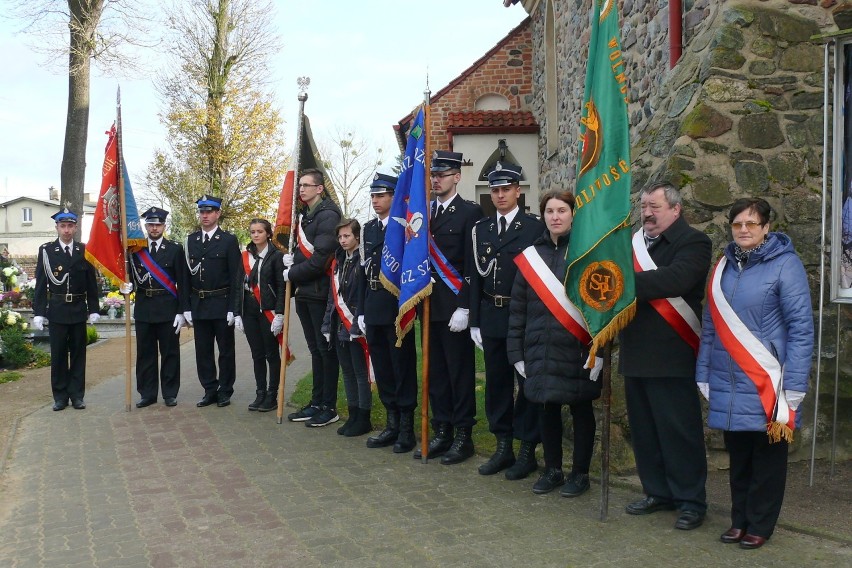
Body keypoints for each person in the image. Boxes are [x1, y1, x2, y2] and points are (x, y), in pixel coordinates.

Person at [696, 198, 813, 549]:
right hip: (728, 378)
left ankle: (760, 524)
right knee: (739, 457)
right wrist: (703, 370)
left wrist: (794, 384)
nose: (743, 230)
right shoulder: (723, 267)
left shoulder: (786, 265)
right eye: (737, 224)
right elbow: (711, 325)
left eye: (751, 224)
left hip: (769, 382)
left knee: (767, 460)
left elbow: (801, 328)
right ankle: (739, 520)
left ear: (766, 228)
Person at [619, 182, 711, 530]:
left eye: (654, 207)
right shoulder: (632, 243)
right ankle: (657, 491)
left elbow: (676, 279)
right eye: (643, 206)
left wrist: (620, 281)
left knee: (679, 431)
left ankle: (690, 500)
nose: (647, 214)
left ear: (676, 209)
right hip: (636, 349)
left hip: (672, 353)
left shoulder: (694, 243)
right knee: (645, 430)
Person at [507, 190, 603, 496]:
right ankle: (552, 470)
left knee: (580, 408)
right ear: (543, 215)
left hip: (577, 347)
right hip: (540, 346)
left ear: (573, 214)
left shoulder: (588, 252)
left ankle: (580, 473)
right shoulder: (532, 256)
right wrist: (516, 352)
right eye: (550, 211)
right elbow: (518, 307)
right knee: (546, 408)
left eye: (562, 210)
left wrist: (600, 349)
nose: (556, 217)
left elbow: (600, 305)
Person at [470, 161, 544, 479]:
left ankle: (527, 449)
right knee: (497, 382)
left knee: (527, 383)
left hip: (524, 314)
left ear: (518, 191)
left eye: (505, 189)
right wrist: (474, 319)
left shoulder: (534, 228)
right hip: (492, 314)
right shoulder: (481, 230)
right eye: (495, 190)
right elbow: (475, 277)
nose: (500, 195)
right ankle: (503, 447)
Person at [414, 150, 483, 464]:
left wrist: (465, 307)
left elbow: (472, 264)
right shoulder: (422, 213)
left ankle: (463, 434)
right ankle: (441, 430)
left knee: (459, 373)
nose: (436, 179)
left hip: (454, 307)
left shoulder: (470, 213)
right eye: (433, 174)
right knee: (435, 372)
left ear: (457, 176)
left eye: (443, 174)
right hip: (427, 305)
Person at [357, 174, 419, 453]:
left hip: (396, 306)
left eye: (381, 195)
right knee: (382, 367)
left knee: (401, 367)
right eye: (373, 196)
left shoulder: (404, 228)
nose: (375, 200)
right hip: (372, 304)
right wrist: (360, 309)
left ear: (394, 197)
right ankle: (391, 423)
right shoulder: (367, 229)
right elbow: (362, 271)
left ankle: (406, 427)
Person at [284, 168, 342, 427]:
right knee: (315, 351)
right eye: (300, 186)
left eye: (307, 185)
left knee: (325, 352)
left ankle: (328, 406)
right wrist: (292, 262)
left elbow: (320, 260)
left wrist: (292, 272)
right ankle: (316, 402)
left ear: (320, 189)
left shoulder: (327, 216)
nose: (302, 189)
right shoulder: (306, 216)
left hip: (320, 294)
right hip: (306, 294)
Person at [32, 207, 100, 411]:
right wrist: (39, 312)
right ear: (57, 228)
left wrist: (94, 308)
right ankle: (60, 396)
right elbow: (41, 283)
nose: (67, 230)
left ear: (76, 227)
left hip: (78, 309)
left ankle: (77, 395)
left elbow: (91, 283)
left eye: (70, 226)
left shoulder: (84, 250)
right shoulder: (46, 251)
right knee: (59, 355)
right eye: (63, 226)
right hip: (58, 310)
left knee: (79, 354)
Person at [126, 207, 189, 408]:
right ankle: (147, 393)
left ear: (164, 225)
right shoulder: (135, 250)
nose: (154, 228)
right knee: (145, 354)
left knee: (170, 352)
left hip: (168, 308)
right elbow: (128, 278)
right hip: (144, 307)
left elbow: (183, 282)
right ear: (145, 226)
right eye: (151, 224)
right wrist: (124, 288)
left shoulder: (174, 249)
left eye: (158, 224)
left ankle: (170, 392)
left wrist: (182, 311)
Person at [184, 195, 243, 408]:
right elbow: (185, 277)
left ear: (218, 213)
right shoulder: (191, 240)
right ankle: (209, 389)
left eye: (209, 212)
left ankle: (225, 390)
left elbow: (237, 275)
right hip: (199, 304)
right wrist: (186, 307)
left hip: (221, 302)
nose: (205, 215)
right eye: (202, 212)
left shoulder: (228, 240)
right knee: (203, 350)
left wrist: (233, 309)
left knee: (226, 350)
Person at [322, 218, 372, 437]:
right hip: (338, 323)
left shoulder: (363, 260)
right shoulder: (338, 261)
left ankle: (364, 416)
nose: (342, 240)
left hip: (355, 322)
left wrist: (359, 322)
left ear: (357, 237)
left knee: (361, 373)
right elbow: (332, 298)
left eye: (347, 236)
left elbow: (363, 294)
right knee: (348, 372)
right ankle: (352, 414)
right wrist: (326, 324)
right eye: (340, 236)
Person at [240, 218, 286, 413]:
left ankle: (272, 394)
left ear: (268, 234)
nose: (256, 235)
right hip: (249, 311)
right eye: (253, 232)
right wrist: (236, 313)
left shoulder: (276, 256)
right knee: (257, 354)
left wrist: (280, 313)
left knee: (271, 354)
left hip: (268, 311)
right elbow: (237, 285)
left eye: (260, 231)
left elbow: (282, 287)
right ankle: (260, 393)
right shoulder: (245, 255)